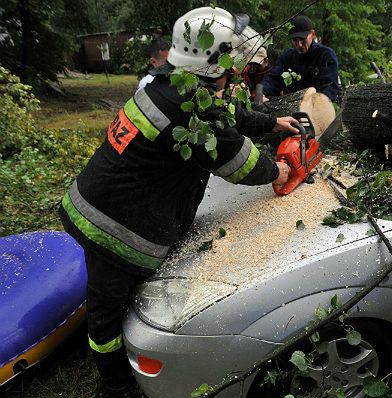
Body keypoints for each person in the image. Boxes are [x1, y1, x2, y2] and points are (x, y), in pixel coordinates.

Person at [58, 7, 298, 398]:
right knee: (105, 313)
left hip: (104, 198)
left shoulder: (175, 85)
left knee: (114, 295)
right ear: (216, 60)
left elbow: (226, 118)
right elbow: (239, 163)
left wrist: (271, 123)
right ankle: (117, 385)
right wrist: (278, 172)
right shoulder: (193, 110)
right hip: (110, 222)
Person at [261, 15, 341, 102]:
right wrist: (262, 92)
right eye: (295, 40)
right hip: (290, 106)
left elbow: (330, 88)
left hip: (318, 106)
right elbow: (273, 79)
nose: (299, 44)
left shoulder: (326, 55)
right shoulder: (287, 56)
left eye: (302, 39)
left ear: (312, 34)